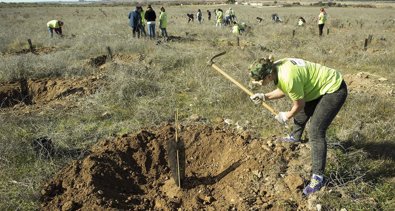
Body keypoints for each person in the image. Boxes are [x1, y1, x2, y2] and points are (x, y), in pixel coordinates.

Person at [248, 56, 348, 196]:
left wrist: (286, 115)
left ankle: (318, 178)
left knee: (315, 131)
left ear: (269, 75)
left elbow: (298, 103)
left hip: (333, 89)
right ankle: (295, 137)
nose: (258, 83)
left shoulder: (288, 76)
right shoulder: (277, 68)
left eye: (259, 80)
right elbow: (287, 89)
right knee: (301, 115)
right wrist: (265, 96)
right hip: (316, 87)